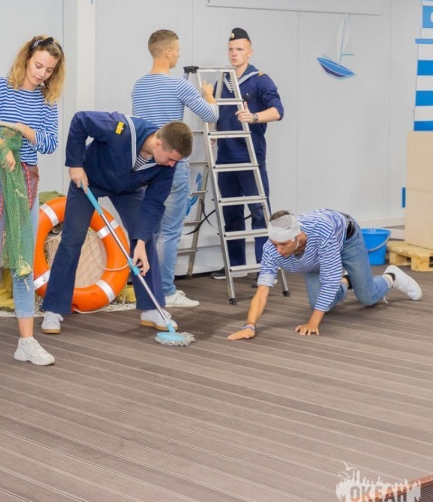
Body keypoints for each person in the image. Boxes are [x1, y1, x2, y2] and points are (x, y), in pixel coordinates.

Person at [0, 35, 64, 374]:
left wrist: (23, 130)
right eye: (38, 65)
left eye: (49, 70)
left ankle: (26, 343)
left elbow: (49, 143)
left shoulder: (47, 101)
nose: (41, 74)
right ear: (26, 59)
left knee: (23, 264)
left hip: (25, 183)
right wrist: (2, 145)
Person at [40, 112, 192, 335]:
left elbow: (154, 203)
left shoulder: (168, 166)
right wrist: (75, 164)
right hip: (89, 180)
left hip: (128, 190)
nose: (172, 165)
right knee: (72, 240)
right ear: (158, 143)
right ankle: (53, 309)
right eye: (170, 159)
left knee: (145, 239)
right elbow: (80, 120)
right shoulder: (121, 128)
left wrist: (140, 242)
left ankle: (151, 308)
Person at [128, 29, 217, 312]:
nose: (179, 54)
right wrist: (209, 96)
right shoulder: (179, 86)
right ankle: (166, 291)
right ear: (167, 52)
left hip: (145, 165)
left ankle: (149, 289)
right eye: (177, 50)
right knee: (170, 230)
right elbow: (211, 115)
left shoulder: (138, 86)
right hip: (172, 167)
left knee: (150, 229)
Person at [227, 210, 422, 340]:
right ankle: (347, 280)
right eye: (274, 244)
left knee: (367, 297)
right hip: (314, 259)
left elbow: (329, 281)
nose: (278, 250)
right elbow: (262, 292)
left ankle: (390, 277)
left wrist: (312, 323)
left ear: (297, 237)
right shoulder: (271, 250)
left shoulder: (321, 231)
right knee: (319, 305)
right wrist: (249, 326)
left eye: (283, 244)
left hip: (347, 238)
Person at [212, 28, 284, 281]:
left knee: (259, 213)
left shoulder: (260, 80)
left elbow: (278, 111)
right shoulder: (223, 80)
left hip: (250, 157)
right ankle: (236, 266)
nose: (234, 53)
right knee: (231, 214)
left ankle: (266, 269)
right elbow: (215, 113)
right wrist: (212, 129)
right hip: (224, 157)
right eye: (231, 49)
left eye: (240, 49)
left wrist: (253, 116)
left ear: (250, 52)